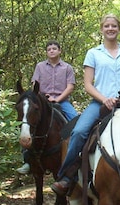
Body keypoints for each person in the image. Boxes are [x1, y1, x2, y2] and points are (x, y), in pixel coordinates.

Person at [51, 14, 120, 196]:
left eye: (114, 26)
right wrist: (104, 98)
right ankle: (67, 177)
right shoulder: (93, 53)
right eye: (107, 26)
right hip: (100, 103)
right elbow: (87, 84)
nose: (110, 29)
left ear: (119, 29)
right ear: (101, 29)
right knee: (79, 132)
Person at [17, 40, 78, 174]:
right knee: (28, 123)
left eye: (54, 48)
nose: (51, 50)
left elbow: (70, 86)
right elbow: (35, 84)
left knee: (76, 121)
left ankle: (75, 156)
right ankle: (27, 160)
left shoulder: (67, 68)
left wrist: (57, 99)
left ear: (59, 51)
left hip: (62, 101)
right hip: (42, 102)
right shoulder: (40, 66)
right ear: (46, 52)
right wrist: (42, 98)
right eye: (49, 49)